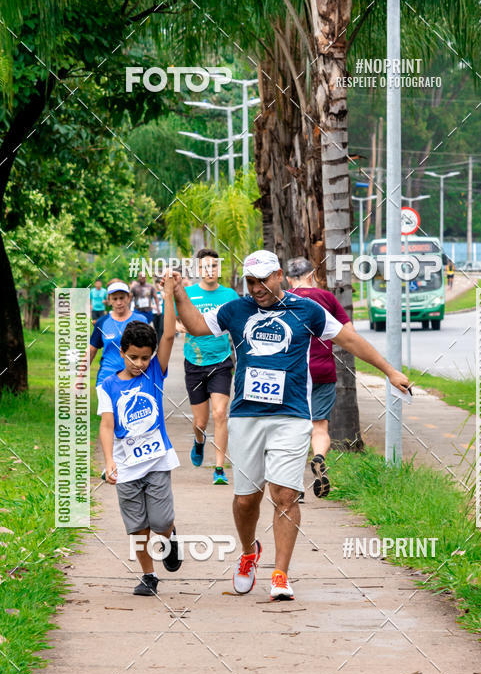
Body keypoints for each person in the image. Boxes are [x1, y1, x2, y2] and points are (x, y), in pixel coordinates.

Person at [171, 249, 410, 602]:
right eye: (251, 282)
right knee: (245, 500)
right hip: (247, 416)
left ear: (279, 275)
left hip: (292, 415)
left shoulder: (307, 311)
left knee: (283, 495)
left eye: (263, 280)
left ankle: (281, 574)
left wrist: (390, 371)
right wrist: (177, 291)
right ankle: (249, 552)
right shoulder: (235, 310)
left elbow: (349, 340)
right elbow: (195, 326)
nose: (257, 288)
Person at [98, 271, 181, 597]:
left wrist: (170, 293)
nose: (140, 363)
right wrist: (108, 461)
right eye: (133, 357)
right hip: (126, 464)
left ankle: (171, 536)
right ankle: (148, 575)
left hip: (157, 460)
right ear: (121, 352)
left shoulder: (154, 376)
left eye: (145, 358)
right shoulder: (108, 386)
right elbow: (106, 426)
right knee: (137, 527)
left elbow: (169, 337)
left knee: (160, 522)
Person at [287, 257, 351, 499]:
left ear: (287, 278)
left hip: (293, 373)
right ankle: (319, 458)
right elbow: (349, 334)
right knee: (319, 426)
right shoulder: (327, 298)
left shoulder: (283, 298)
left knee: (294, 428)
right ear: (312, 275)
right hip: (323, 370)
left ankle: (296, 488)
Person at [180, 248, 238, 485]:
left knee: (220, 414)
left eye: (214, 266)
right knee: (201, 423)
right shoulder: (188, 294)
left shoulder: (230, 295)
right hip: (194, 362)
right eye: (204, 266)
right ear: (198, 270)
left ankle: (219, 468)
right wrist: (187, 327)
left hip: (221, 361)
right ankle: (199, 440)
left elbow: (239, 322)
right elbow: (174, 320)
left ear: (219, 269)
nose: (209, 270)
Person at [79, 280, 151, 398]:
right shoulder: (102, 322)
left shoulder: (141, 320)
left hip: (135, 379)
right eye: (115, 299)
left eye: (122, 298)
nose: (119, 302)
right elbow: (91, 350)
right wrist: (80, 378)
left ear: (129, 298)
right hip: (107, 378)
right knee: (108, 416)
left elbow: (148, 351)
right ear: (109, 300)